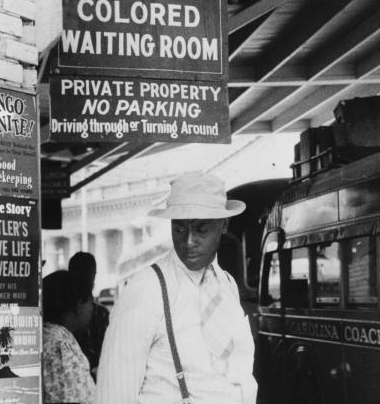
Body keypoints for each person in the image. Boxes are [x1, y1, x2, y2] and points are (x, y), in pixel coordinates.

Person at [96, 173, 257, 404]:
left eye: (201, 229)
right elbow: (113, 395)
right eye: (179, 229)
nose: (189, 241)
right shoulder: (147, 287)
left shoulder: (227, 284)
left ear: (224, 225)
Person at [42, 270, 96, 404]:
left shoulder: (47, 336)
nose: (92, 310)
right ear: (78, 306)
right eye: (90, 302)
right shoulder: (60, 346)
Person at [68, 251, 110, 379]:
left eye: (89, 273)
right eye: (83, 273)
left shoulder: (101, 313)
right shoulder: (101, 313)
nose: (86, 278)